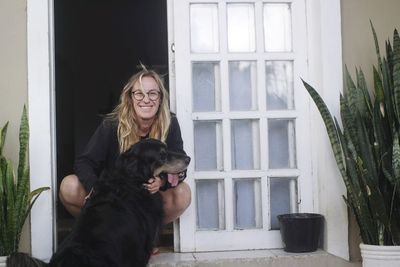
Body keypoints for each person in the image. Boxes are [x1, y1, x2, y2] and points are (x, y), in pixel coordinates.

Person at [59, 68, 191, 225]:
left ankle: (146, 238)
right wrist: (95, 188)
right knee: (69, 186)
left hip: (150, 196)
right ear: (130, 98)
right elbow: (84, 162)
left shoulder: (170, 122)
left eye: (152, 93)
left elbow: (180, 166)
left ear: (161, 98)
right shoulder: (112, 125)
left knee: (183, 193)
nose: (146, 100)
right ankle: (99, 232)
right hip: (116, 195)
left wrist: (162, 181)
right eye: (139, 93)